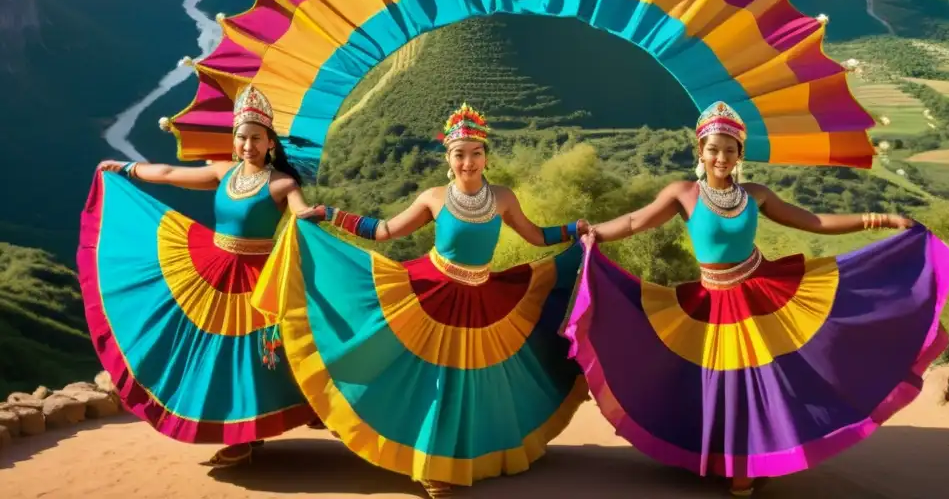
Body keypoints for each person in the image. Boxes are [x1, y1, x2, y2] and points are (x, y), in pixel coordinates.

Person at [561, 101, 949, 497]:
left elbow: (813, 221)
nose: (721, 157)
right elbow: (633, 222)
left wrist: (880, 219)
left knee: (759, 383)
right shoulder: (683, 194)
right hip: (711, 303)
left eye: (729, 150)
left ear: (739, 155)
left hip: (762, 293)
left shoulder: (756, 195)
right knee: (720, 386)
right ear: (700, 151)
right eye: (713, 149)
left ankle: (747, 468)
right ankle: (726, 460)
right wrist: (593, 233)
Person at [252, 103, 591, 498]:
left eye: (476, 153)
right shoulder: (434, 198)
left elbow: (535, 237)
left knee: (477, 383)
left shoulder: (502, 198)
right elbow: (384, 231)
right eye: (460, 154)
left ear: (486, 156)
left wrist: (574, 230)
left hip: (484, 299)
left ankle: (470, 456)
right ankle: (434, 468)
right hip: (432, 294)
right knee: (437, 382)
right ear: (448, 158)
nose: (468, 162)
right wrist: (332, 214)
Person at [79, 84, 323, 467]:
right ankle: (241, 433)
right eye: (242, 138)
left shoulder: (283, 183)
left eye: (256, 139)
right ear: (235, 140)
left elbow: (302, 214)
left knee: (253, 358)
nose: (247, 146)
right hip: (212, 267)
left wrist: (315, 215)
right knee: (219, 354)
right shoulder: (224, 172)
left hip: (256, 279)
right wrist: (126, 168)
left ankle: (255, 430)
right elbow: (171, 173)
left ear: (269, 142)